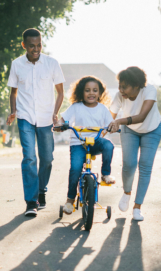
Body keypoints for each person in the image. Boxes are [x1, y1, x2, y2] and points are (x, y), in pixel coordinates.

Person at [6, 28, 65, 217]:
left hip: (46, 118)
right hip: (25, 118)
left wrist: (55, 113)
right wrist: (13, 111)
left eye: (39, 45)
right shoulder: (16, 64)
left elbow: (60, 92)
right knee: (30, 158)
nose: (36, 49)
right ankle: (31, 202)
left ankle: (41, 191)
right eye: (32, 46)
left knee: (47, 159)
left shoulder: (52, 63)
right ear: (24, 45)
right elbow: (13, 91)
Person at [108, 66, 161, 221]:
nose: (120, 90)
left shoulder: (149, 91)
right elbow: (109, 117)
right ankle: (126, 192)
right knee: (129, 164)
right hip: (130, 131)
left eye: (124, 86)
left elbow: (142, 116)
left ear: (137, 85)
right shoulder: (120, 96)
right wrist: (103, 130)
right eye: (120, 86)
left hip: (151, 130)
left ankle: (137, 207)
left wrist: (119, 121)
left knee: (145, 166)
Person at [56, 76, 115, 215]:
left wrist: (112, 127)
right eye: (87, 90)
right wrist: (59, 125)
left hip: (95, 142)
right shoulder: (76, 107)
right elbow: (62, 120)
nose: (91, 93)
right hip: (78, 143)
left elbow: (110, 123)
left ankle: (105, 174)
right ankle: (70, 200)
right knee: (76, 169)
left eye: (95, 90)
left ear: (100, 93)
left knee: (109, 146)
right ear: (81, 92)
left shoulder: (103, 109)